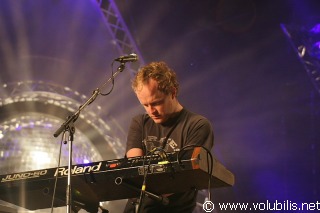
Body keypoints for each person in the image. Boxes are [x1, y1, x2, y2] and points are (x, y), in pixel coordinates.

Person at [123, 61, 214, 213]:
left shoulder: (198, 125)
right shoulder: (139, 122)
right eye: (145, 105)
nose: (151, 111)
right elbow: (135, 168)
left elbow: (185, 176)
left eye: (156, 103)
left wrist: (149, 181)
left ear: (173, 92)